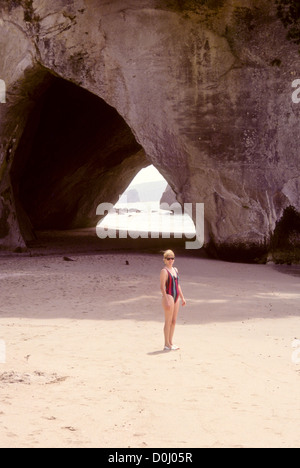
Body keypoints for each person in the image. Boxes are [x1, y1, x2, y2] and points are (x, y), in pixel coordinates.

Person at [160, 250, 186, 350]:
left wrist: (183, 297)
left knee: (174, 321)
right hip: (169, 296)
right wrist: (166, 300)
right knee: (168, 321)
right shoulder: (164, 271)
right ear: (165, 260)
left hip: (176, 297)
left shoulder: (175, 269)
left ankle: (171, 342)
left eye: (172, 258)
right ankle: (166, 344)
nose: (171, 260)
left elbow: (178, 284)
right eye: (168, 258)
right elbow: (162, 287)